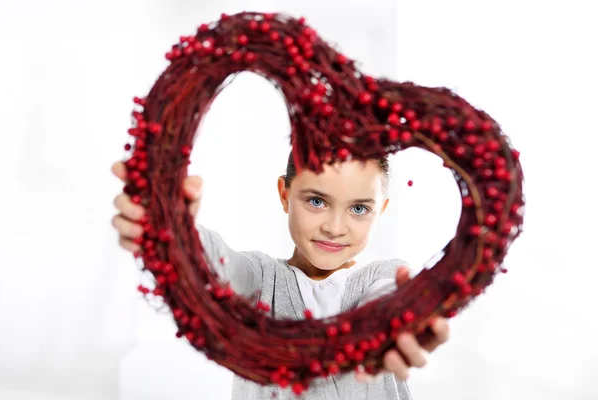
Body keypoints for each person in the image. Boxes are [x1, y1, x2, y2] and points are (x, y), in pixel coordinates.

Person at [111, 152, 450, 399]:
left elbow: (388, 296)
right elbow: (218, 264)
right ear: (285, 194)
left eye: (359, 208)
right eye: (316, 201)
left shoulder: (382, 275)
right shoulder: (262, 280)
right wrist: (179, 233)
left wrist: (402, 316)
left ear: (381, 211)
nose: (334, 228)